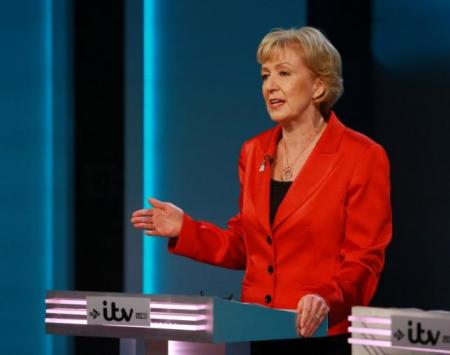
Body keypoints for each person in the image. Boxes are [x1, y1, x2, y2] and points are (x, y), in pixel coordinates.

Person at [131, 26, 392, 354]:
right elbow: (246, 245)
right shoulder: (254, 151)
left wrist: (327, 299)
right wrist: (186, 229)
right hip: (263, 328)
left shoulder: (361, 156)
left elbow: (364, 259)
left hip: (324, 333)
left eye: (283, 73)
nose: (270, 86)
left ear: (318, 86)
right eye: (265, 75)